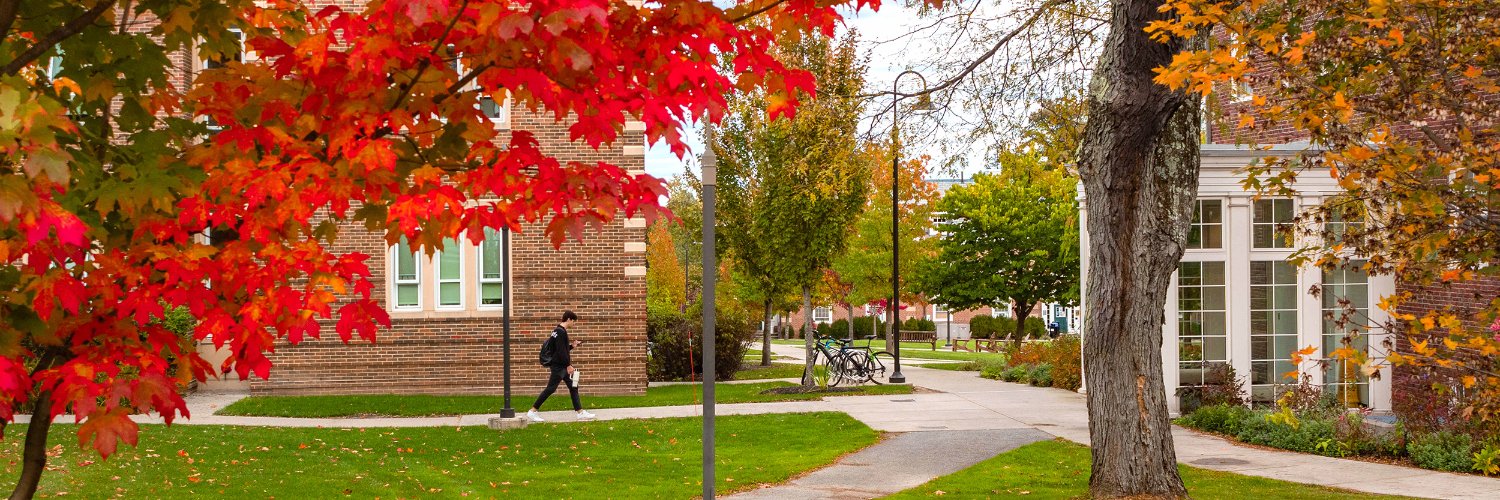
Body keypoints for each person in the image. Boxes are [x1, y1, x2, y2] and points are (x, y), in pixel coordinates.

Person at [528, 311, 595, 422]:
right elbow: (560, 352)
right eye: (573, 321)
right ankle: (532, 411)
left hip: (561, 365)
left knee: (574, 386)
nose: (574, 324)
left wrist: (572, 346)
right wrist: (568, 365)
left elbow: (560, 349)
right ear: (568, 319)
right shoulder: (561, 332)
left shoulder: (558, 331)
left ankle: (580, 412)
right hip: (559, 366)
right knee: (550, 389)